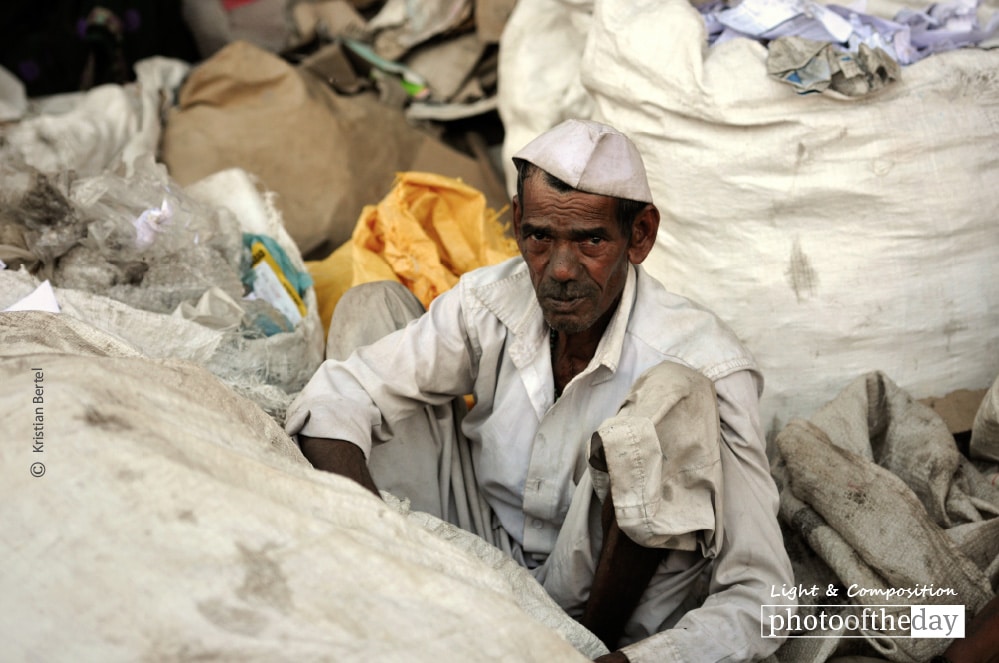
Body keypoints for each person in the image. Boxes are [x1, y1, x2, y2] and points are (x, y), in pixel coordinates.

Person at [285, 119, 795, 662]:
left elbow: (764, 595)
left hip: (604, 619)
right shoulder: (492, 301)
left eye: (592, 240)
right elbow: (335, 397)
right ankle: (413, 604)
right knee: (372, 306)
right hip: (476, 552)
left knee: (675, 396)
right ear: (518, 220)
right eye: (540, 238)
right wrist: (374, 537)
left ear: (639, 235)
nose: (560, 269)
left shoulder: (707, 362)